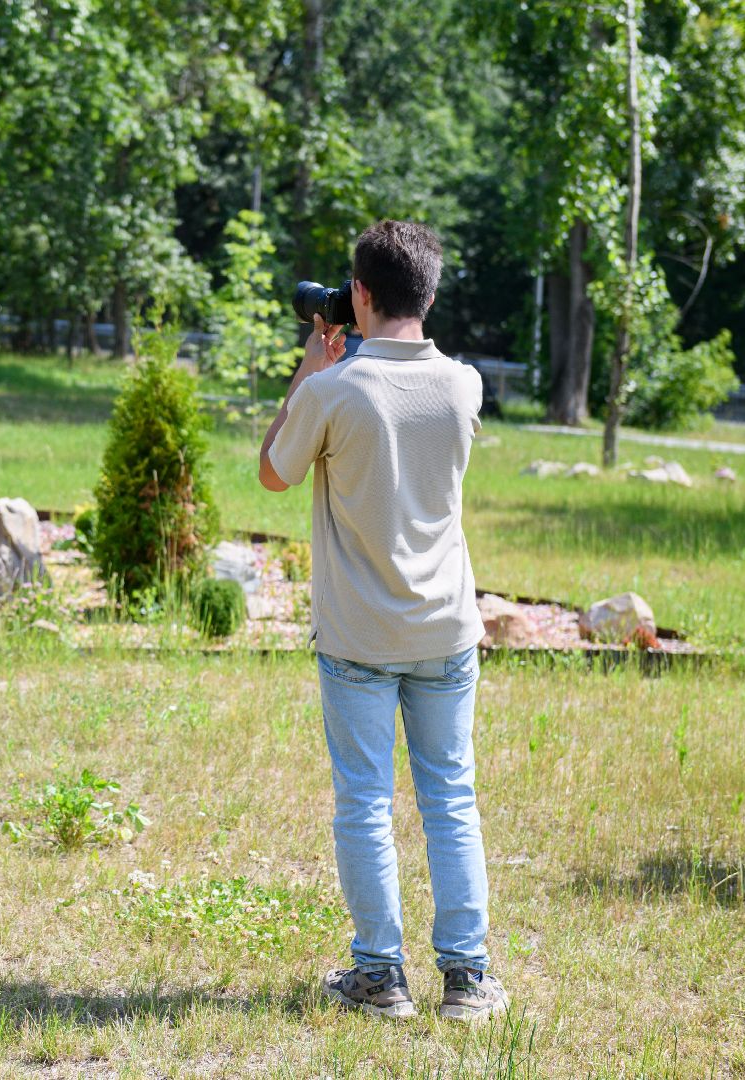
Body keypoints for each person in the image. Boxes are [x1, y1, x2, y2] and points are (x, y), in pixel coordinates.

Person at [258, 220, 507, 1023]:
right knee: (452, 799)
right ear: (429, 295)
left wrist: (311, 363)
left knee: (365, 803)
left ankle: (379, 977)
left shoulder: (334, 391)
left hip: (359, 636)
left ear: (357, 295)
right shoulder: (464, 385)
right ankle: (467, 980)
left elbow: (273, 473)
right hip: (444, 631)